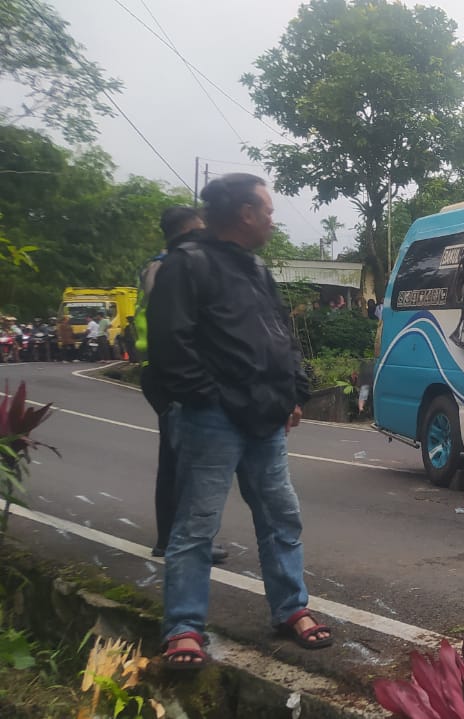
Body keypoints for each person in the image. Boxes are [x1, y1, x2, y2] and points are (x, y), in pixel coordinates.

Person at [148, 174, 332, 669]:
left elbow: (281, 335)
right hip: (212, 419)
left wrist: (294, 393)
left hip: (267, 419)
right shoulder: (187, 264)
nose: (272, 219)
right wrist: (210, 400)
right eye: (267, 210)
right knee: (196, 526)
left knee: (280, 517)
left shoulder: (256, 268)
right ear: (245, 213)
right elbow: (170, 345)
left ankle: (291, 609)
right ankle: (184, 628)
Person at [136, 206, 229, 565]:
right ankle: (176, 539)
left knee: (179, 456)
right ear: (186, 230)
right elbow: (175, 326)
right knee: (180, 458)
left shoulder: (163, 264)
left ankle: (177, 537)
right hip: (167, 374)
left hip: (162, 370)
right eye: (199, 228)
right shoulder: (167, 267)